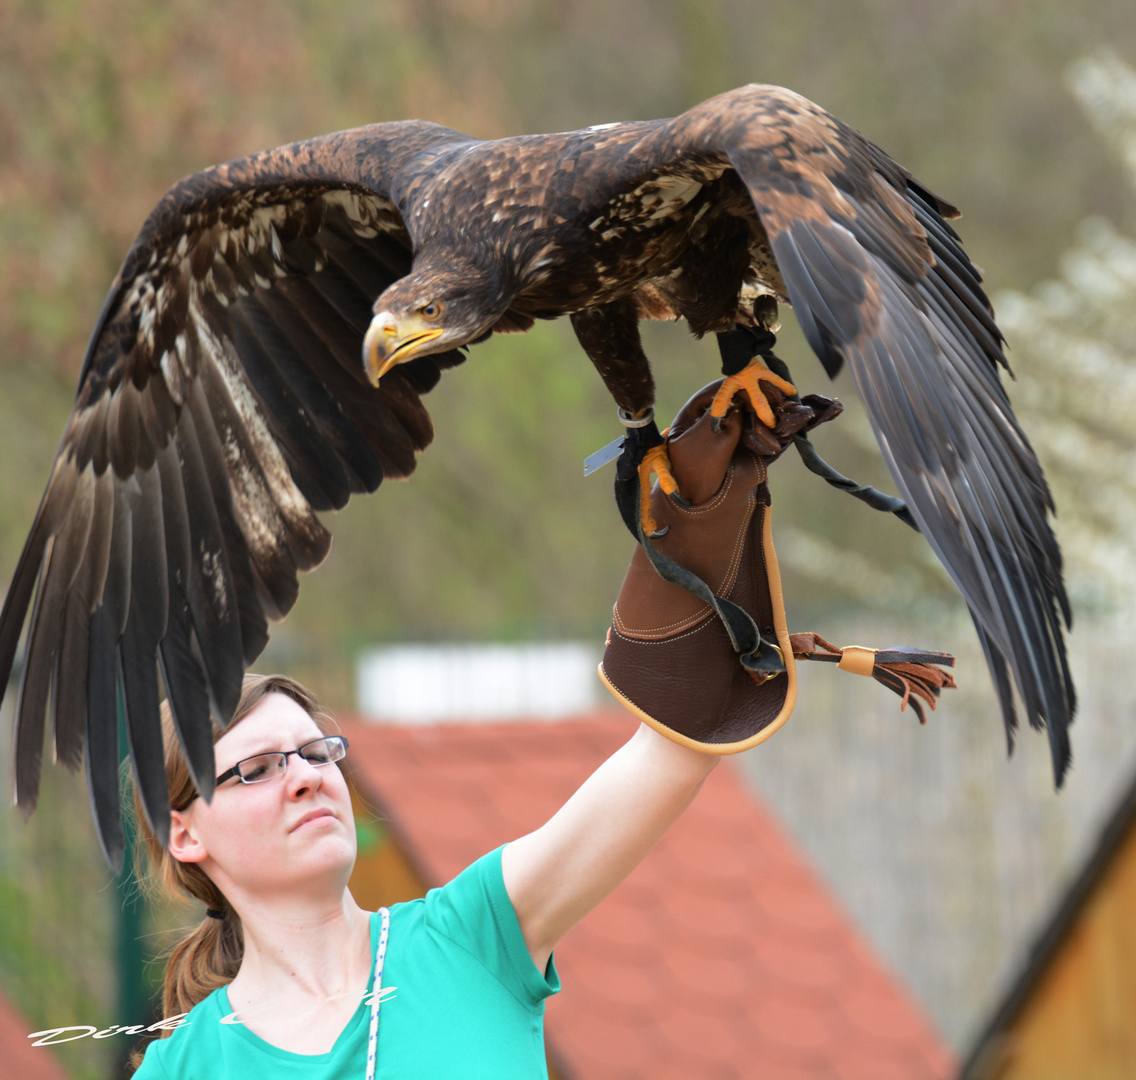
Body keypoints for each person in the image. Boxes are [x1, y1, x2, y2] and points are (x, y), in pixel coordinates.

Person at [128, 672, 720, 1079]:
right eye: (256, 769)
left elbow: (671, 755)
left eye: (315, 752)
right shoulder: (184, 1067)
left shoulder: (472, 937)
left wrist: (710, 566)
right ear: (186, 834)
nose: (307, 777)